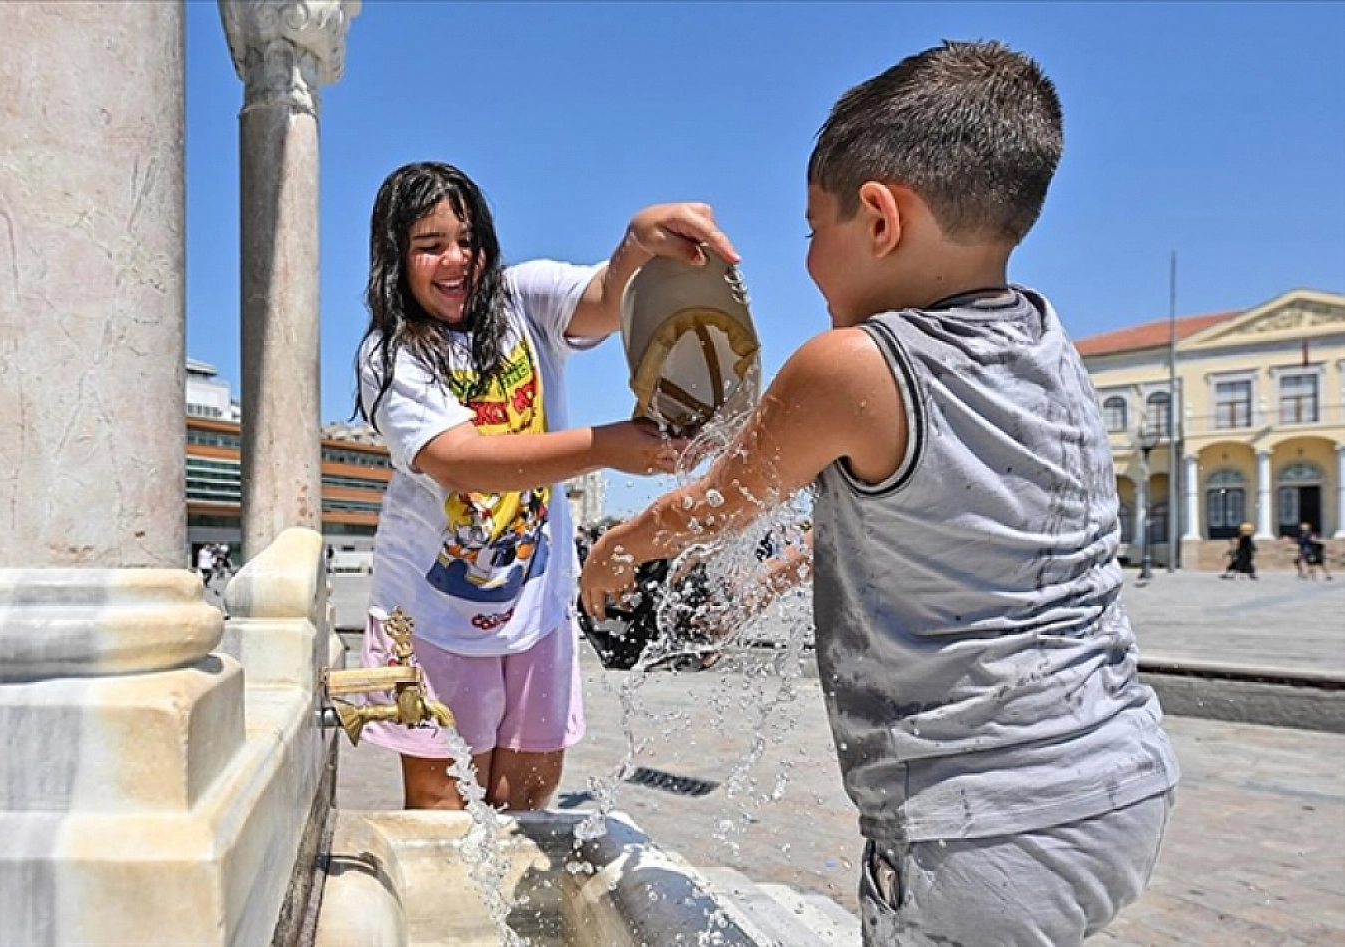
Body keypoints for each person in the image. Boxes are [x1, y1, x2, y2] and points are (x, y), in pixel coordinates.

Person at [580, 41, 1178, 947]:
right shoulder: (1044, 342)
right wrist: (771, 579)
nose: (809, 262)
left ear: (880, 217)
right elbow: (943, 526)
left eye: (811, 230)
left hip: (981, 827)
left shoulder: (854, 366)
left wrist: (616, 549)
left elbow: (712, 504)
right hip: (1118, 778)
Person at [352, 160, 728, 812]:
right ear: (395, 259)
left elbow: (607, 298)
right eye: (431, 245)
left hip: (536, 608)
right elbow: (461, 460)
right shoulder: (390, 356)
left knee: (527, 800)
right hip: (432, 615)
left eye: (468, 240)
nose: (456, 260)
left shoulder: (521, 300)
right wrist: (607, 447)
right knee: (444, 812)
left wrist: (639, 242)